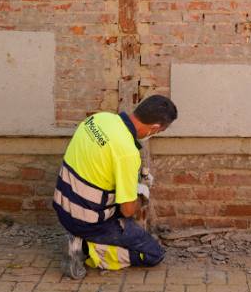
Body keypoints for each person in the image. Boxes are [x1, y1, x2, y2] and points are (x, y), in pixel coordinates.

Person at [54, 95, 178, 279]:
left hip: (62, 206)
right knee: (153, 253)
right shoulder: (127, 153)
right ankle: (83, 248)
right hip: (87, 222)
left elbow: (99, 167)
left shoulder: (98, 119)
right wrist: (142, 194)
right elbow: (127, 211)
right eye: (158, 132)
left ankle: (80, 237)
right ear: (154, 128)